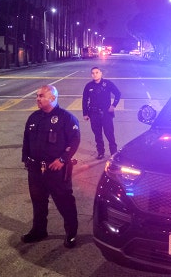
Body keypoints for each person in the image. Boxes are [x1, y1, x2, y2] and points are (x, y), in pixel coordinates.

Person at [21, 85, 81, 249]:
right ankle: (39, 230)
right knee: (38, 202)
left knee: (64, 202)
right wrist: (25, 159)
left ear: (53, 98)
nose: (37, 99)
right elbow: (26, 140)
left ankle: (71, 233)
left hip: (56, 170)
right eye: (37, 96)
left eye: (41, 96)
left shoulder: (66, 118)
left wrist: (62, 159)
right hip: (35, 170)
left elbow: (74, 141)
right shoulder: (34, 117)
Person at [82, 67, 121, 160]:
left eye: (97, 72)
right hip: (94, 114)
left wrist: (114, 105)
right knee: (97, 135)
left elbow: (118, 93)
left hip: (106, 114)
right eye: (93, 73)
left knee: (109, 134)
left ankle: (113, 153)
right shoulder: (88, 86)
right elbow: (85, 100)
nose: (95, 74)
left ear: (101, 73)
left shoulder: (107, 84)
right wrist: (85, 113)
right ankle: (100, 152)